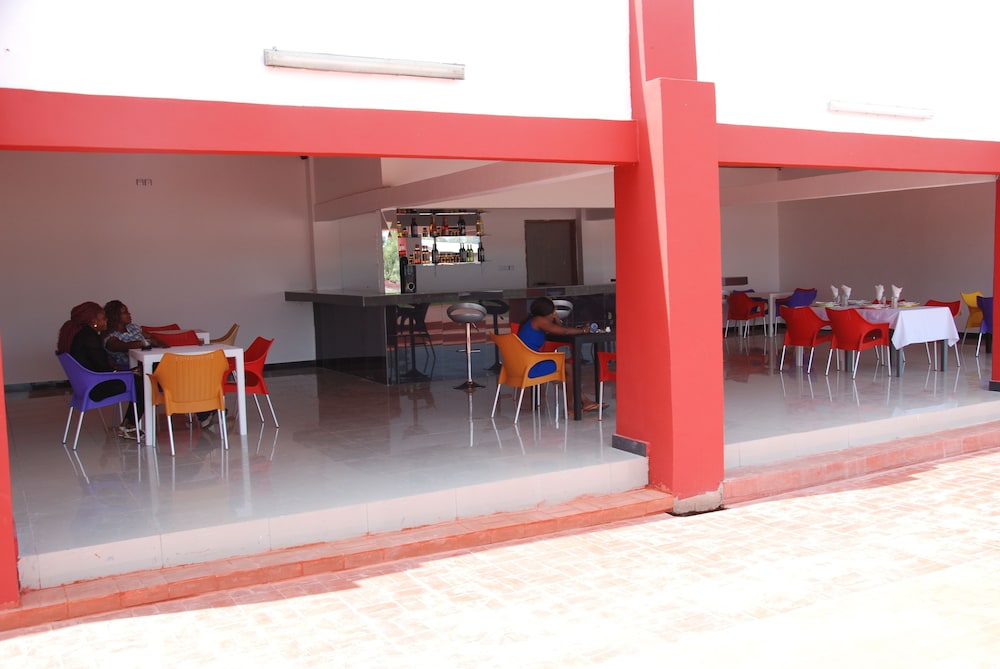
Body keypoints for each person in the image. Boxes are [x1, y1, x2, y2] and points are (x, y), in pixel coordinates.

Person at [56, 301, 144, 437]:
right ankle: (129, 426)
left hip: (84, 386)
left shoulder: (80, 334)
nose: (106, 321)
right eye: (104, 318)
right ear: (94, 322)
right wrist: (127, 372)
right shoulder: (89, 337)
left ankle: (128, 424)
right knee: (142, 383)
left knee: (137, 379)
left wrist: (124, 371)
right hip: (95, 387)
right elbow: (103, 369)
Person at [517, 297, 601, 412]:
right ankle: (571, 406)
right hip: (530, 366)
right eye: (553, 311)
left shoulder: (533, 320)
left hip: (523, 364)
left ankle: (584, 401)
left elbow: (559, 329)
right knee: (569, 368)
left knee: (567, 368)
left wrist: (556, 319)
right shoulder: (539, 321)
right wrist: (583, 330)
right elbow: (564, 331)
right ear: (548, 312)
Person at [103, 300, 166, 371]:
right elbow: (123, 346)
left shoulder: (133, 327)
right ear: (115, 316)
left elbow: (150, 337)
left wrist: (157, 342)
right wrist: (144, 343)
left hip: (147, 361)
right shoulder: (111, 335)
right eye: (125, 312)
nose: (129, 314)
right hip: (128, 368)